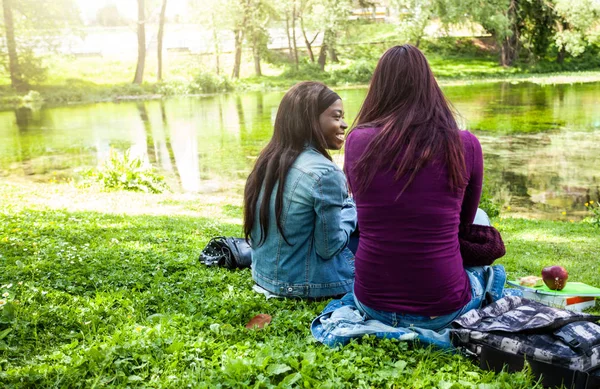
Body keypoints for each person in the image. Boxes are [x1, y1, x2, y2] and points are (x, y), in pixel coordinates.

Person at [344, 45, 492, 330]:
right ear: (429, 84)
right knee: (482, 224)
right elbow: (464, 222)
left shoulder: (357, 140)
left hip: (372, 303)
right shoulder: (465, 143)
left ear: (379, 87)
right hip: (445, 308)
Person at [243, 81, 357, 299]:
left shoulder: (269, 160)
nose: (344, 124)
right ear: (311, 120)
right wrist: (353, 207)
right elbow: (329, 247)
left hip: (264, 276)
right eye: (336, 116)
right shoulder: (325, 172)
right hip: (302, 284)